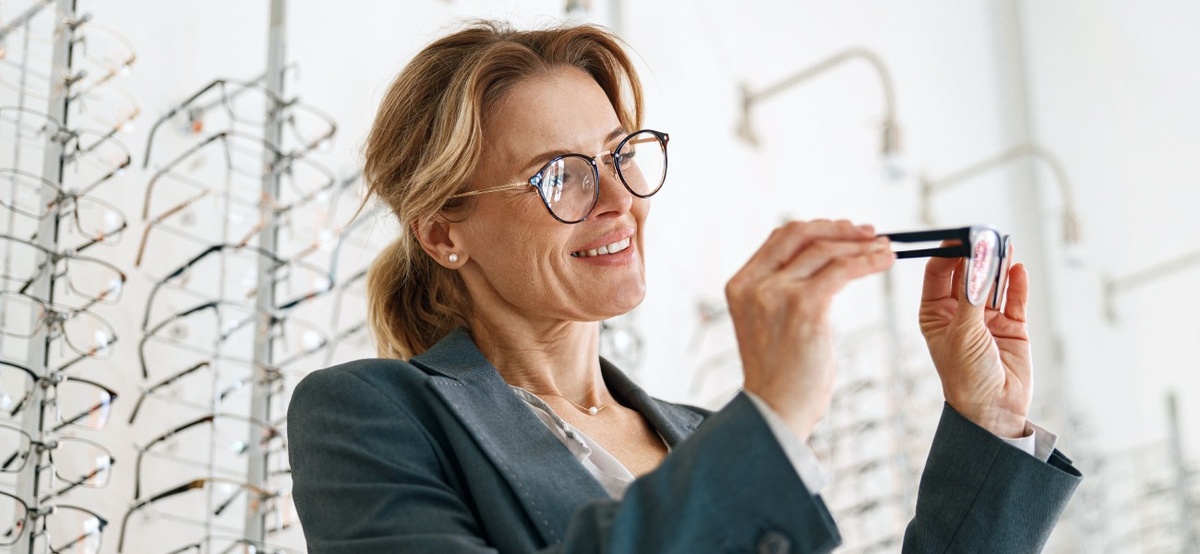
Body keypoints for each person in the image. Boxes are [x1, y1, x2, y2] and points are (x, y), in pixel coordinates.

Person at [287, 21, 1081, 553]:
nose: (619, 199)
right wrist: (770, 420)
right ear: (442, 233)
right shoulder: (369, 414)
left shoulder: (701, 438)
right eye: (559, 174)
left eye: (620, 154)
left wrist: (988, 424)